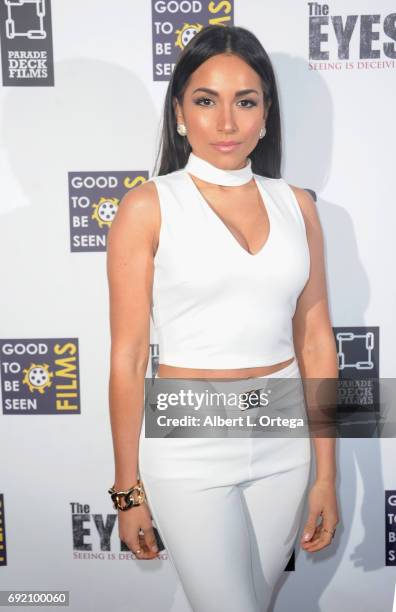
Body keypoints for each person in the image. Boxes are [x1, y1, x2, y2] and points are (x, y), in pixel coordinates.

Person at [106, 24, 339, 612]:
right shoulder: (148, 206)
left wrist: (326, 475)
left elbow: (316, 343)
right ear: (180, 113)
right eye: (206, 101)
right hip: (189, 443)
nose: (227, 122)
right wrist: (128, 489)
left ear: (266, 114)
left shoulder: (299, 206)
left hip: (283, 440)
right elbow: (129, 355)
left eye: (246, 101)